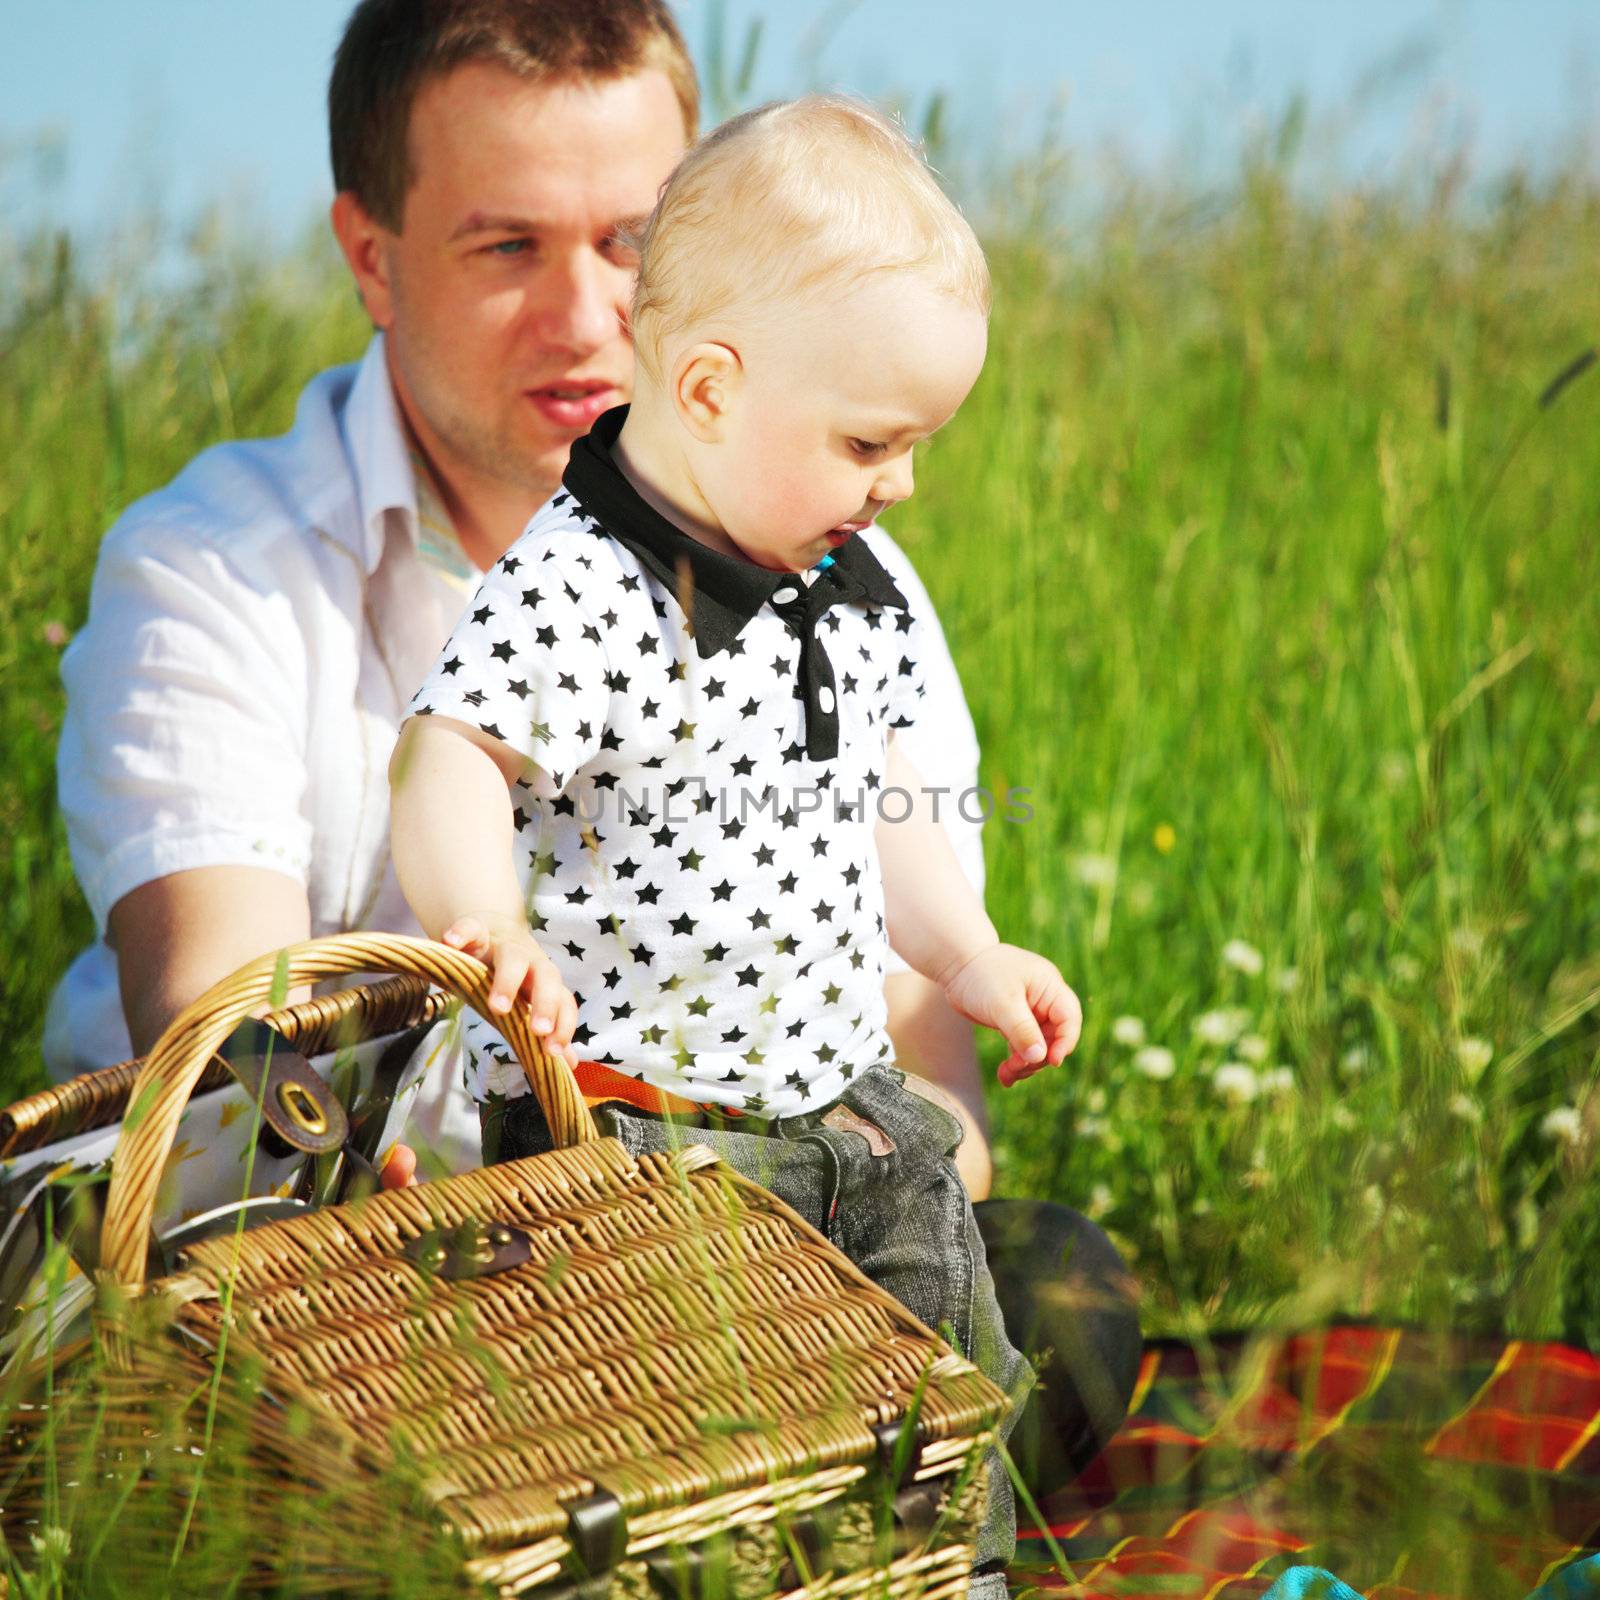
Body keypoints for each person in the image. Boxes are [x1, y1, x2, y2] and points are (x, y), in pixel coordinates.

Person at [45, 0, 1139, 1500]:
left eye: (634, 242)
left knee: (1053, 1293)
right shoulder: (216, 568)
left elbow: (912, 1030)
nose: (590, 316)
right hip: (351, 1270)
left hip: (735, 1219)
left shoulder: (830, 564)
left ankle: (772, 1494)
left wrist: (833, 1245)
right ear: (371, 255)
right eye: (508, 247)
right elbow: (231, 1024)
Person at [389, 98, 1081, 1592]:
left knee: (949, 1393)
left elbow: (881, 801)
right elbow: (451, 755)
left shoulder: (856, 573)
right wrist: (479, 923)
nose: (900, 482)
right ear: (706, 387)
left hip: (842, 1101)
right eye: (870, 442)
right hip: (638, 1136)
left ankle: (953, 1575)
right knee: (678, 1475)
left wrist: (966, 952)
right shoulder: (583, 587)